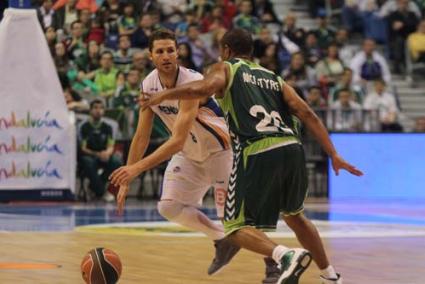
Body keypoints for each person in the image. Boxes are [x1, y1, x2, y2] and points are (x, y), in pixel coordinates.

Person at [139, 28, 363, 284]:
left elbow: (201, 88)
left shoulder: (224, 68)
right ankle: (330, 276)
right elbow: (307, 113)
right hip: (292, 148)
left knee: (233, 228)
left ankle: (284, 256)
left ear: (226, 51)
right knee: (294, 216)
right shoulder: (273, 77)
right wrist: (333, 153)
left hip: (255, 151)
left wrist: (164, 95)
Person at [108, 29, 240, 275]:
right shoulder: (148, 84)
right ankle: (221, 239)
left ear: (177, 52)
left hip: (220, 151)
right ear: (151, 56)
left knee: (234, 222)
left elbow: (177, 140)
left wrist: (135, 168)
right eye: (160, 51)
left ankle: (274, 260)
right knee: (168, 207)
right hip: (190, 155)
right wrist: (128, 178)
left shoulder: (191, 82)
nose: (166, 55)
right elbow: (141, 135)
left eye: (170, 50)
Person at [79, 99, 122, 202]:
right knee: (87, 162)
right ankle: (102, 192)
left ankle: (93, 188)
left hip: (104, 155)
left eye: (101, 108)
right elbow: (83, 148)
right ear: (90, 110)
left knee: (116, 161)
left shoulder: (108, 127)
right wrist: (97, 154)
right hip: (90, 155)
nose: (98, 110)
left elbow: (111, 145)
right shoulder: (84, 127)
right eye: (95, 108)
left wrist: (107, 153)